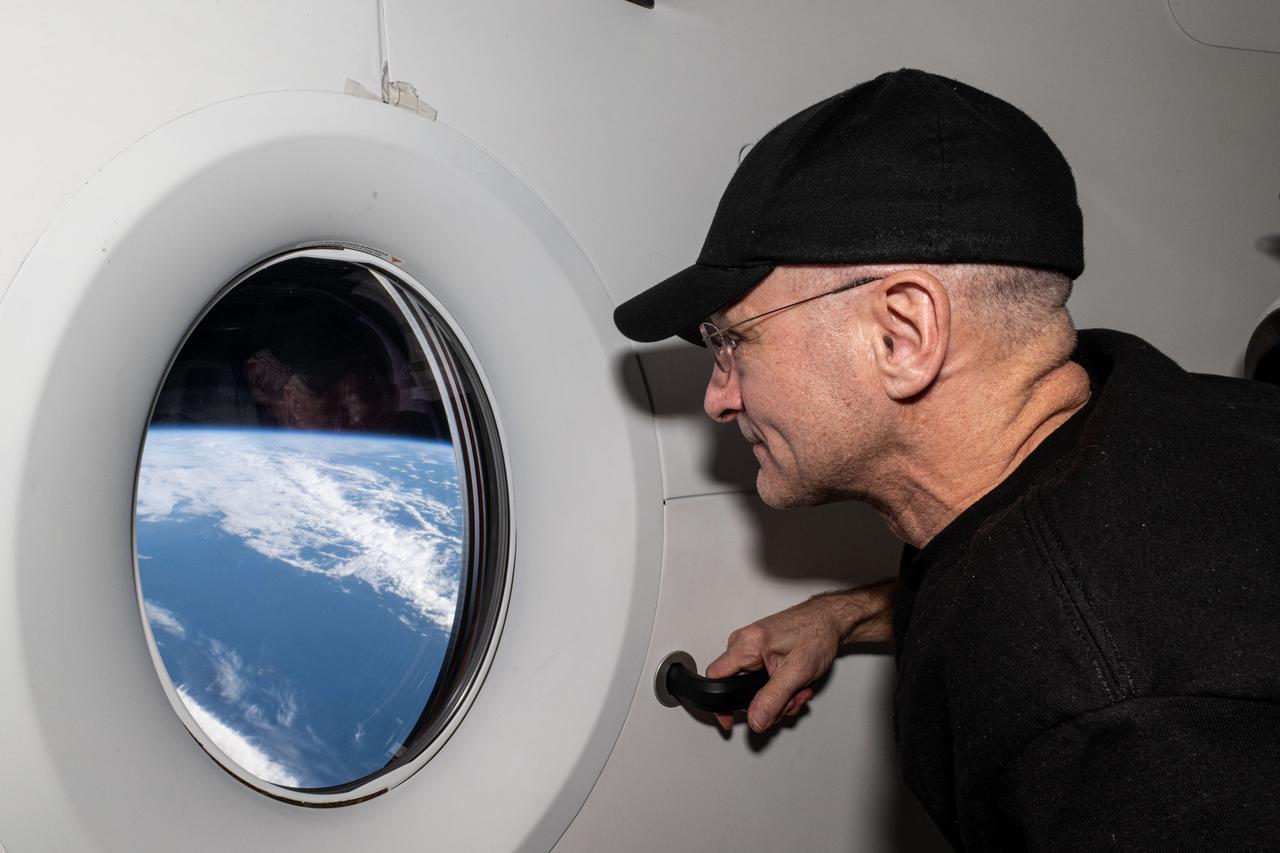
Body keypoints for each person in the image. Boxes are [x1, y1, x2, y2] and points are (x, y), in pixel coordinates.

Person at [613, 69, 1280, 850]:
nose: (718, 398)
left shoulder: (1116, 728)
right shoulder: (1148, 417)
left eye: (732, 340)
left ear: (903, 334)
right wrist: (848, 614)